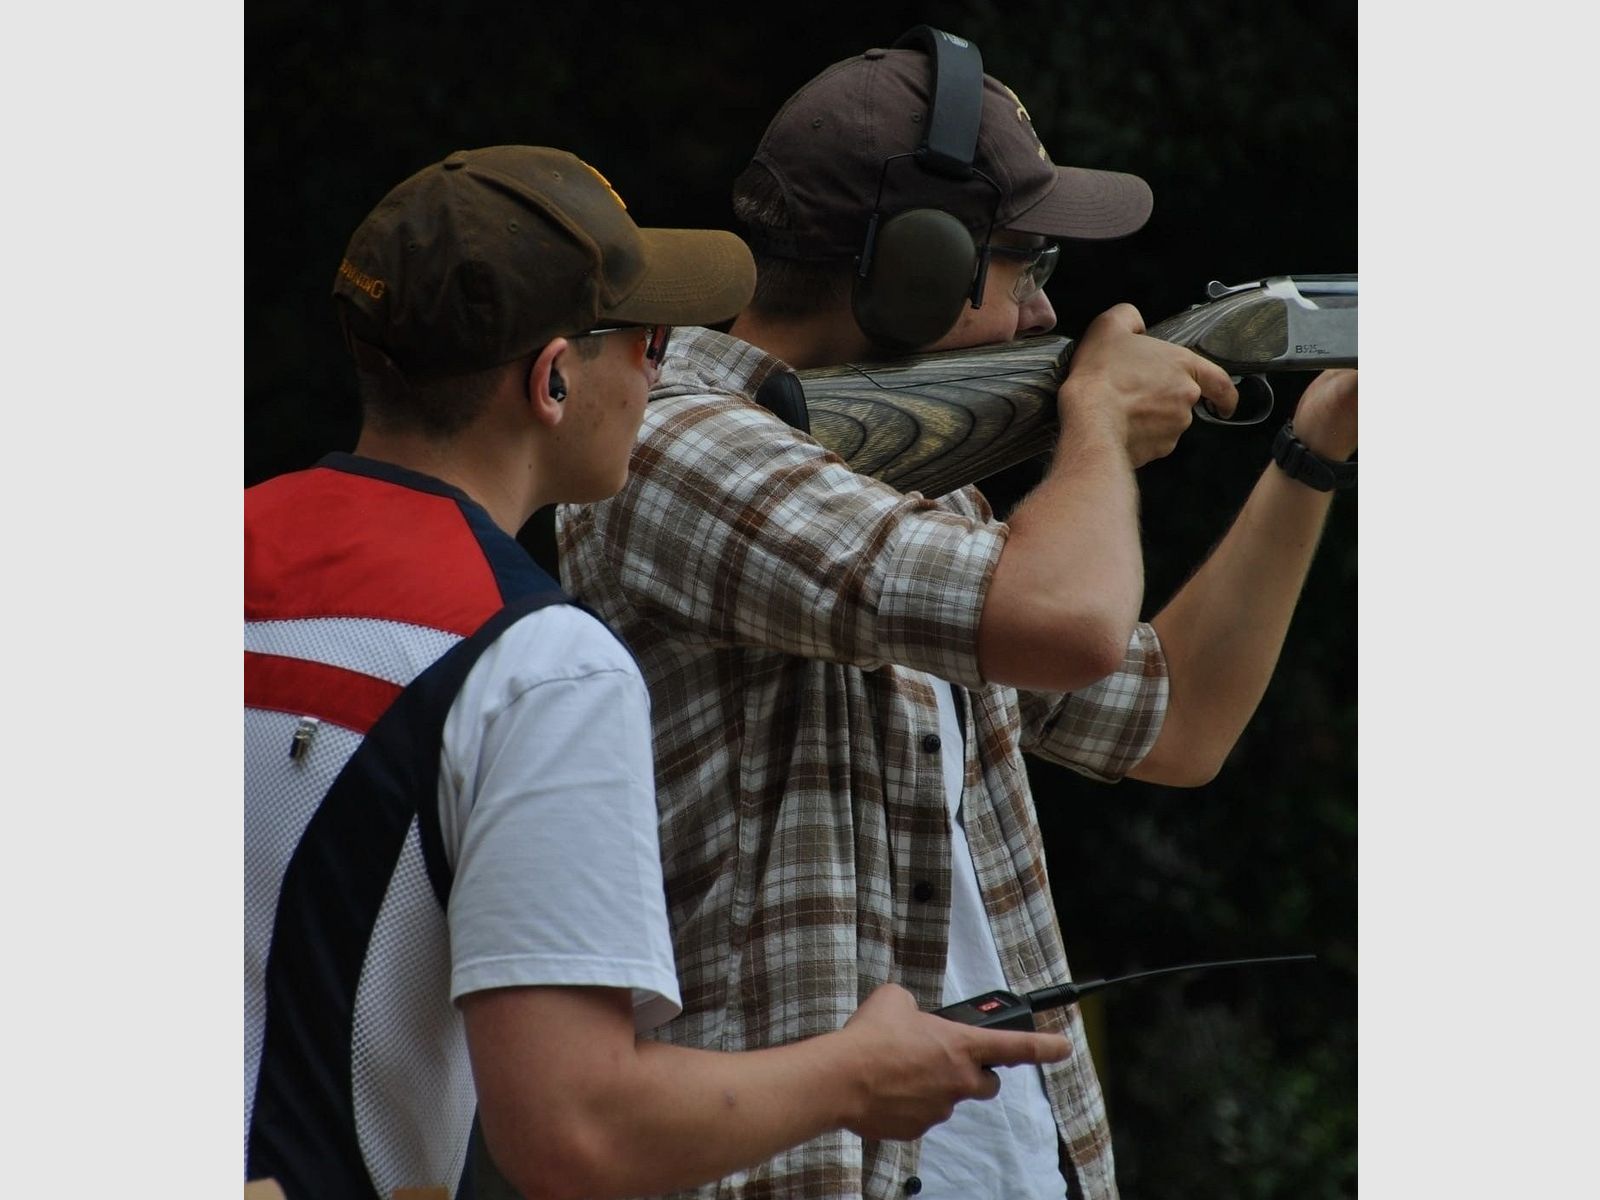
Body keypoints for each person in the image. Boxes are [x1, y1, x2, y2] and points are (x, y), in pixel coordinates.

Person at [557, 30, 1357, 1200]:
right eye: (1024, 264)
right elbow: (1068, 618)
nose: (1047, 312)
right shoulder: (672, 448)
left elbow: (1176, 720)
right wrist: (1095, 429)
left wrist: (1315, 448)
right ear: (914, 271)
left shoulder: (916, 504)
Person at [243, 144, 1075, 1200]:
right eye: (646, 339)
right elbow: (574, 1134)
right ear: (552, 379)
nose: (666, 363)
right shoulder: (535, 666)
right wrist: (857, 1075)